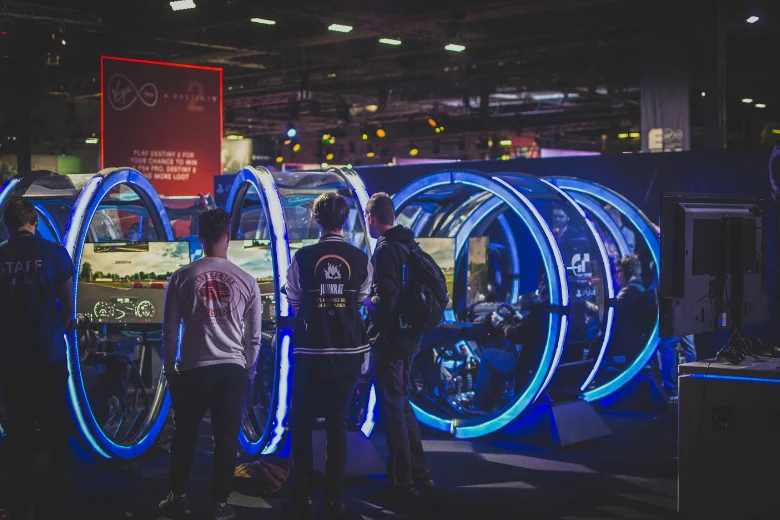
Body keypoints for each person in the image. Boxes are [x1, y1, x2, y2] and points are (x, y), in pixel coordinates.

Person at [159, 208, 262, 520]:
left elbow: (169, 333)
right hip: (232, 371)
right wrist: (249, 372)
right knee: (226, 439)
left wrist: (169, 370)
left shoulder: (181, 277)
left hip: (193, 369)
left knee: (184, 436)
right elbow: (253, 339)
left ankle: (178, 498)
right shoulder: (247, 280)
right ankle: (219, 505)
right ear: (228, 236)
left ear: (199, 237)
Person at [282, 193, 373, 519]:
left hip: (310, 351)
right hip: (348, 352)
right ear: (344, 220)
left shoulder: (303, 257)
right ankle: (334, 499)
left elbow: (292, 299)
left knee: (302, 422)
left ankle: (302, 494)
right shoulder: (361, 259)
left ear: (317, 219)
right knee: (337, 423)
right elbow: (362, 299)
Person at [0, 200, 75, 518]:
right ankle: (59, 490)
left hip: (10, 357)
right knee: (57, 422)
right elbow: (68, 308)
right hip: (49, 354)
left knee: (17, 426)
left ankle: (21, 492)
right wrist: (55, 330)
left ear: (6, 225)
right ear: (35, 222)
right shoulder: (57, 253)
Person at [364, 192, 434, 502]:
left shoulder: (385, 250)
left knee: (393, 407)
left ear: (372, 218)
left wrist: (364, 300)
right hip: (410, 338)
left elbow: (387, 300)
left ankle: (402, 480)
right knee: (402, 404)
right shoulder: (410, 244)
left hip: (391, 340)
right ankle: (418, 471)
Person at [608, 255, 649, 361]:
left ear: (629, 272)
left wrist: (586, 305)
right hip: (632, 341)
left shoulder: (631, 290)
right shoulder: (639, 287)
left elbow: (611, 312)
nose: (616, 276)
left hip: (625, 344)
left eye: (619, 272)